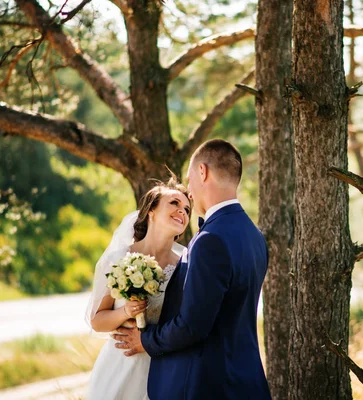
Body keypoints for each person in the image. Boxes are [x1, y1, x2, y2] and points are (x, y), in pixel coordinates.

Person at [114, 139, 271, 399]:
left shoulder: (211, 238)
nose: (188, 191)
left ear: (202, 172)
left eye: (189, 179)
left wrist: (144, 340)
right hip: (246, 380)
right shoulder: (255, 236)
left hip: (210, 385)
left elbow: (192, 326)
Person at [85, 178, 191, 400]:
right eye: (174, 203)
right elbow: (97, 320)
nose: (182, 211)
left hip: (164, 367)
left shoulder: (185, 265)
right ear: (151, 210)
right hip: (122, 364)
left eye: (187, 209)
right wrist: (125, 312)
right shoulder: (119, 259)